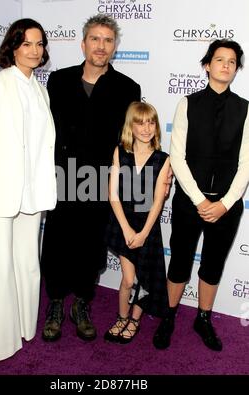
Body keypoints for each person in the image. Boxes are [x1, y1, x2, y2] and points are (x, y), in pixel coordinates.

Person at [41, 14, 141, 342]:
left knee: (91, 246)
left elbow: (130, 141)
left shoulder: (128, 88)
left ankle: (81, 304)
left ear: (115, 47)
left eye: (108, 40)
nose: (101, 46)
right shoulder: (57, 81)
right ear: (83, 43)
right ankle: (55, 303)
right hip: (60, 178)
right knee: (56, 242)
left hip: (100, 182)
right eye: (95, 39)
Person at [0, 18, 57, 361]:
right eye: (27, 44)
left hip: (32, 193)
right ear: (13, 47)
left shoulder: (40, 88)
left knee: (27, 263)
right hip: (0, 192)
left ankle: (23, 326)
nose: (35, 51)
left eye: (39, 44)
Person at [153, 39, 249, 352]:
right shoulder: (188, 103)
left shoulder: (245, 109)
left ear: (236, 69)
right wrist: (200, 201)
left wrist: (224, 203)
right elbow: (176, 158)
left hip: (227, 205)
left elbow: (246, 162)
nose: (225, 65)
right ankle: (168, 316)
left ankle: (203, 318)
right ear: (207, 65)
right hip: (188, 203)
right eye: (219, 59)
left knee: (212, 264)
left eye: (232, 61)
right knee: (180, 260)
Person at [103, 102, 170, 344]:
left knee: (144, 279)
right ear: (131, 125)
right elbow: (113, 195)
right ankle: (122, 317)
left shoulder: (163, 159)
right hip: (123, 223)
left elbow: (157, 203)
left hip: (148, 228)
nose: (146, 128)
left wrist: (142, 234)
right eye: (140, 122)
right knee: (128, 279)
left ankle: (135, 319)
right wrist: (127, 229)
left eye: (151, 122)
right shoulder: (120, 152)